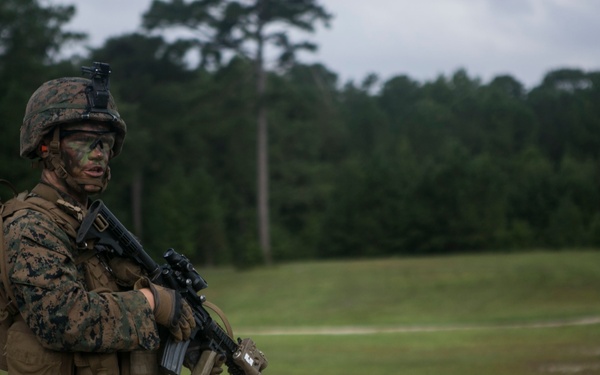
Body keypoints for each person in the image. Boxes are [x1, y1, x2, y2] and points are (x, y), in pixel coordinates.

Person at [0, 64, 219, 374]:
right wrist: (151, 303)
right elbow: (61, 319)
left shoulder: (92, 228)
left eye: (105, 143)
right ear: (46, 147)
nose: (99, 153)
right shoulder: (31, 226)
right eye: (83, 141)